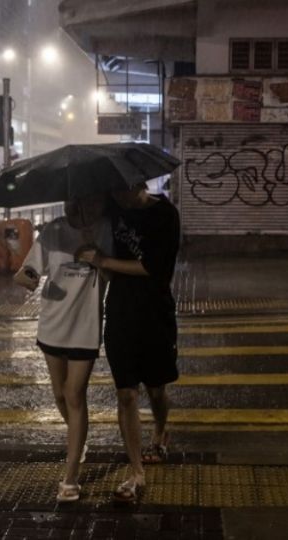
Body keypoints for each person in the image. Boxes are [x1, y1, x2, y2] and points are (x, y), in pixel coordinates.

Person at [77, 182, 181, 503]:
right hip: (120, 313)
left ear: (141, 183)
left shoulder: (165, 215)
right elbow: (86, 215)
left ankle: (161, 431)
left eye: (124, 191)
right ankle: (136, 471)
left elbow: (154, 269)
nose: (118, 198)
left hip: (155, 313)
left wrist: (104, 261)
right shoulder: (115, 206)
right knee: (126, 394)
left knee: (156, 388)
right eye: (115, 193)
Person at [13, 194, 113, 502]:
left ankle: (70, 479)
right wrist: (25, 278)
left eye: (84, 200)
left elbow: (112, 274)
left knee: (74, 394)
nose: (78, 207)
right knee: (59, 393)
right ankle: (78, 438)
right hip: (52, 324)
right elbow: (28, 272)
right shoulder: (54, 231)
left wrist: (97, 257)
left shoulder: (106, 230)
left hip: (85, 326)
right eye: (72, 201)